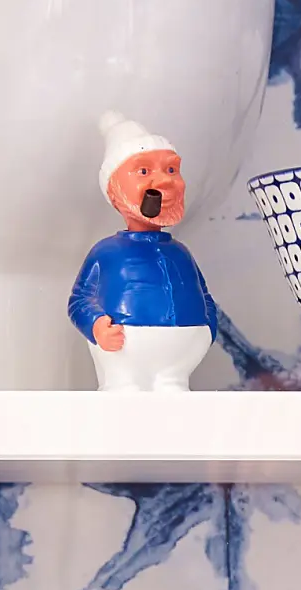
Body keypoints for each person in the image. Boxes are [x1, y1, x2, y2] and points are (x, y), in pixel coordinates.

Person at [69, 112, 221, 392]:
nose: (164, 181)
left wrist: (205, 332)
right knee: (125, 403)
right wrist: (97, 326)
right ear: (114, 191)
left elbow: (205, 295)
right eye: (143, 171)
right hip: (123, 359)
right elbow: (79, 300)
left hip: (177, 366)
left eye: (172, 170)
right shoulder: (106, 253)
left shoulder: (181, 253)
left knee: (174, 410)